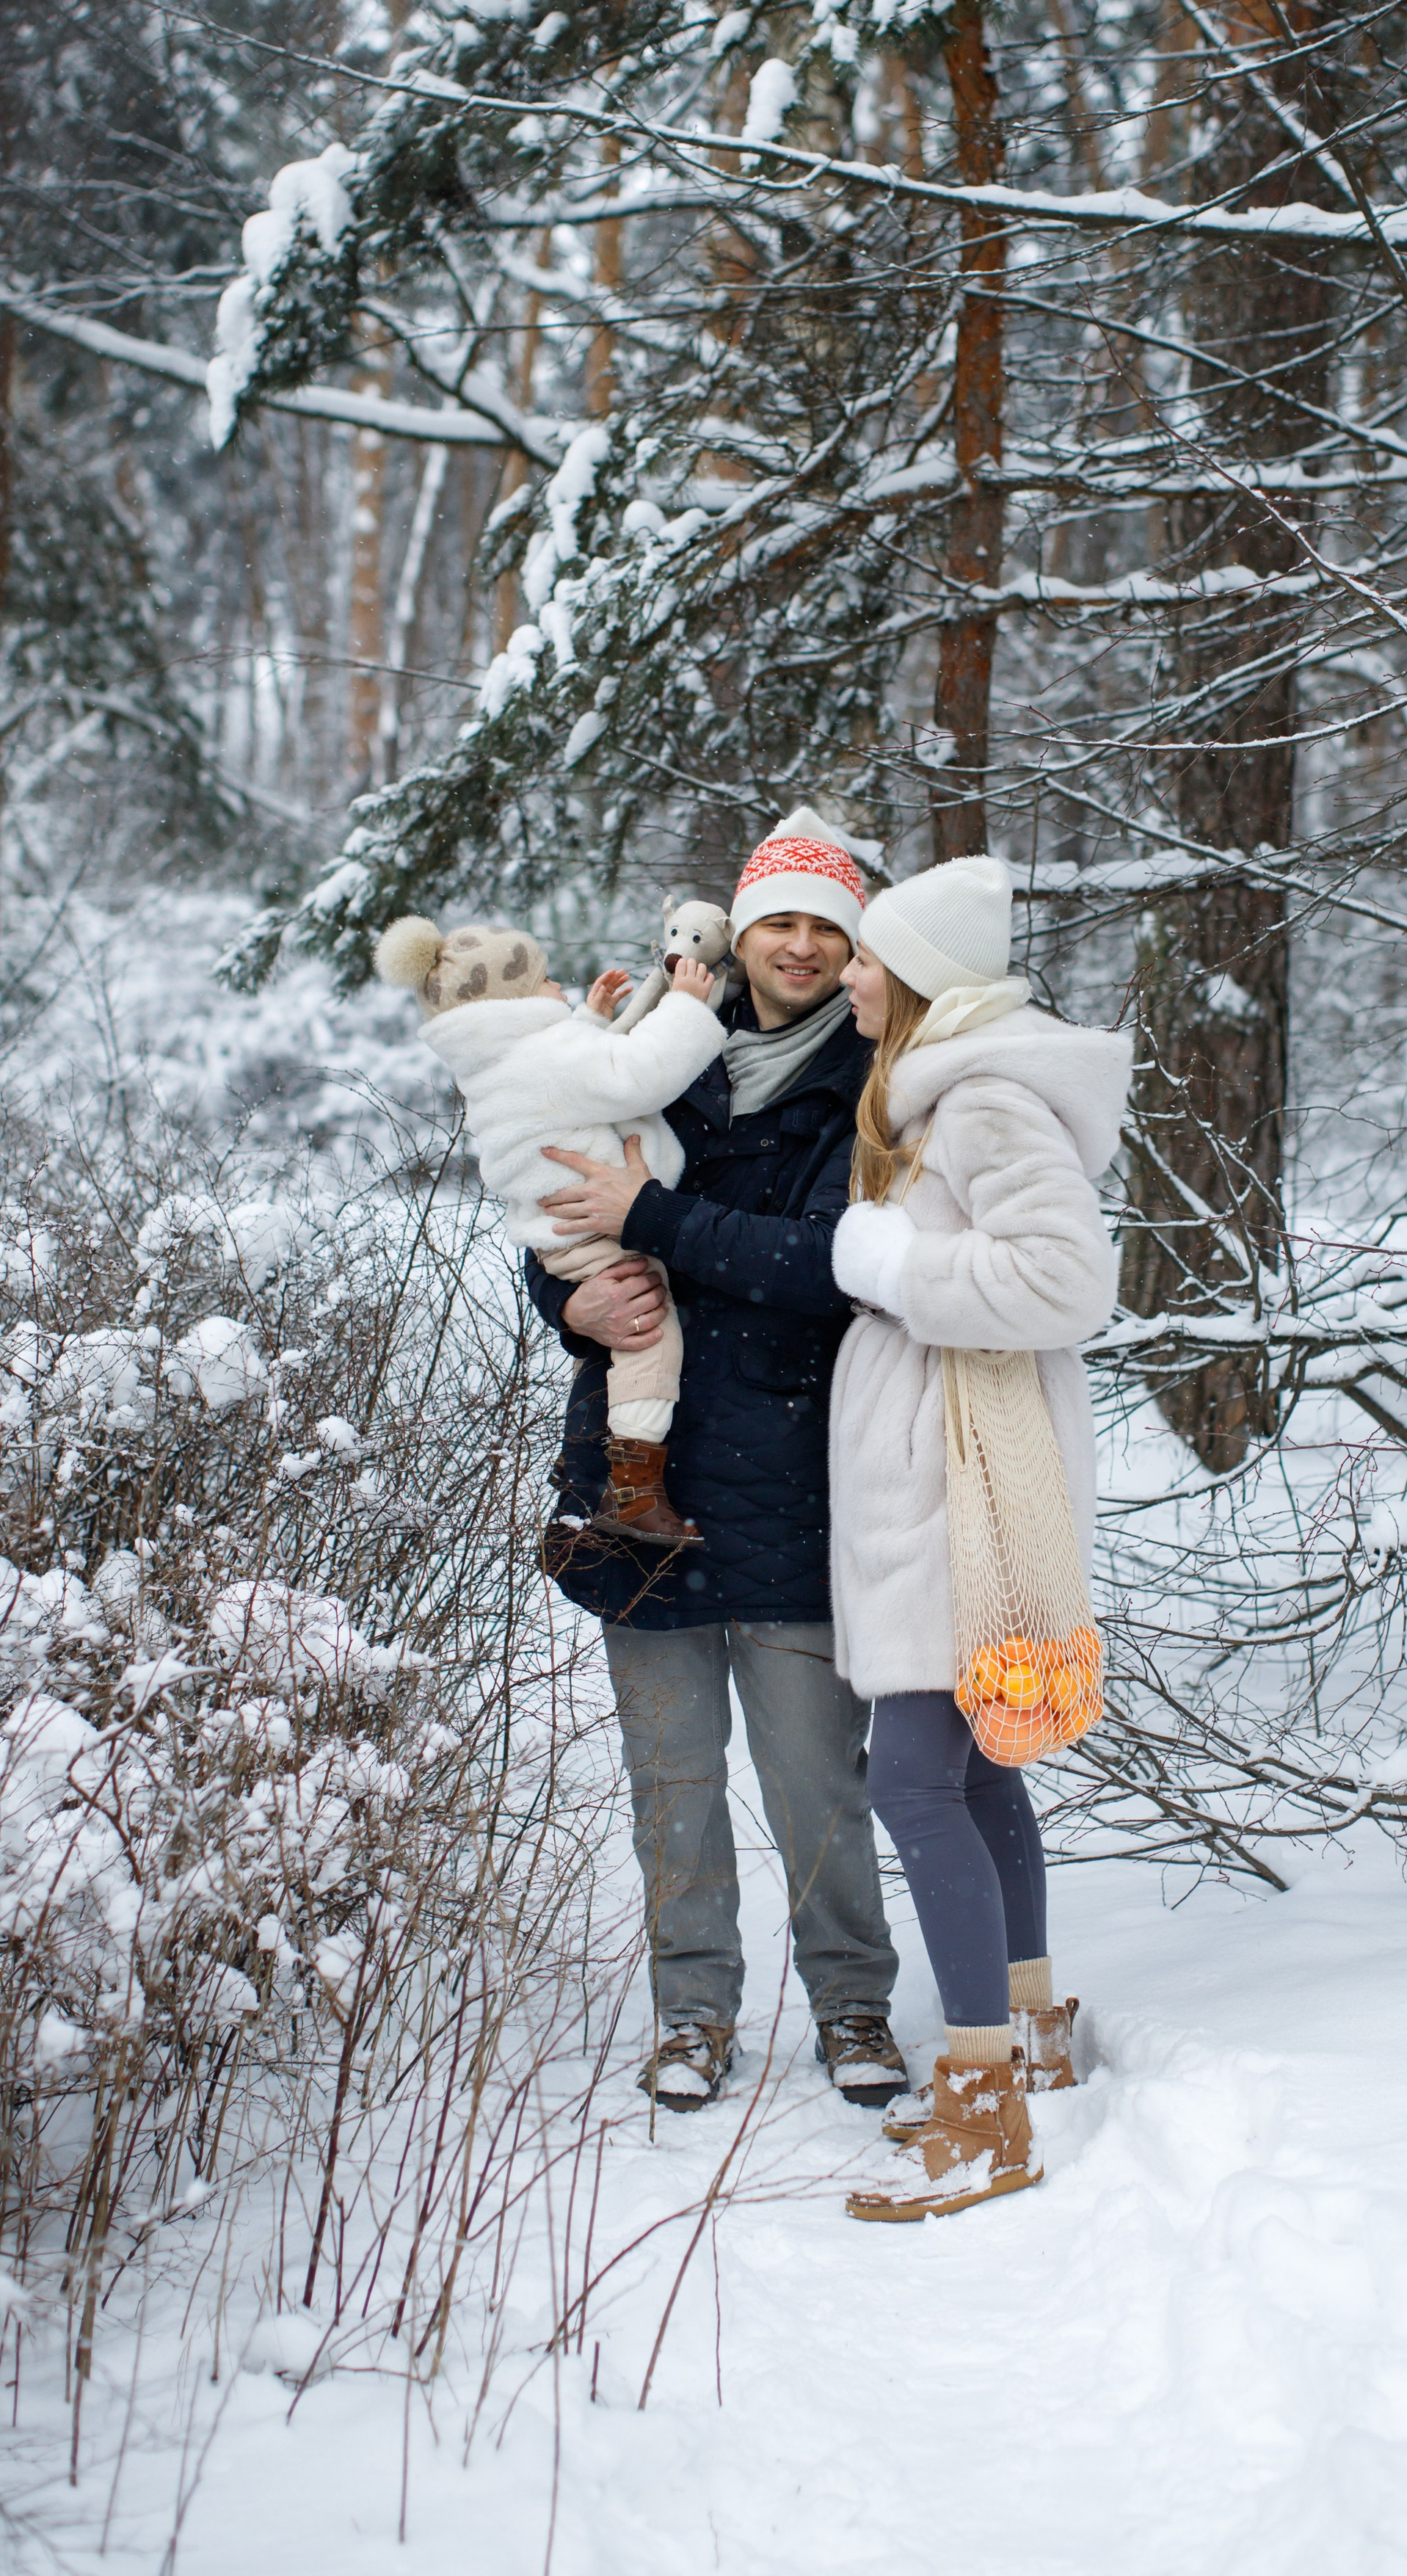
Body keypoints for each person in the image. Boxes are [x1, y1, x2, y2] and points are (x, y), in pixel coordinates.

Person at [525, 810, 906, 2114]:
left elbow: (831, 1266)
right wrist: (568, 1301)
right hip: (642, 1479)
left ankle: (852, 2004)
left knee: (816, 1781)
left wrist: (656, 1217)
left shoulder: (873, 1080)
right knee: (671, 1784)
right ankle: (692, 2013)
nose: (800, 947)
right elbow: (560, 1210)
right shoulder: (655, 1051)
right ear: (737, 936)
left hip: (798, 1476)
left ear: (852, 944)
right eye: (777, 922)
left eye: (825, 928)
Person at [823, 855, 1130, 2221]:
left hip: (968, 1492)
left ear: (919, 980)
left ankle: (983, 2103)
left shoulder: (983, 1099)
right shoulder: (937, 1095)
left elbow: (1069, 1278)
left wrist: (896, 1267)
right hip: (950, 1477)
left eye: (866, 957)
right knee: (981, 1769)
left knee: (912, 1785)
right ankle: (1030, 2033)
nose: (847, 974)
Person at [373, 908, 727, 1545]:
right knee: (649, 1334)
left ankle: (629, 1482)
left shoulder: (497, 1062)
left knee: (630, 1336)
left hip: (556, 1237)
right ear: (511, 1004)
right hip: (598, 1233)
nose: (556, 986)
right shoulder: (546, 1057)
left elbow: (571, 1080)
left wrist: (590, 1018)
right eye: (542, 981)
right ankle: (634, 1490)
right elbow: (634, 1074)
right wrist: (685, 1007)